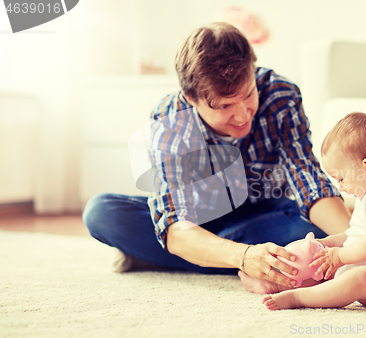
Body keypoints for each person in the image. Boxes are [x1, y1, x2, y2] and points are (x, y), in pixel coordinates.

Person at [82, 22, 351, 288]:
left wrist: (355, 242)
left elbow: (308, 181)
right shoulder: (171, 119)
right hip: (194, 220)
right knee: (102, 212)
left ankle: (171, 256)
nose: (243, 114)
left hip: (263, 216)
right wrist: (244, 256)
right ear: (190, 98)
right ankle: (228, 257)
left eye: (248, 95)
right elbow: (175, 227)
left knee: (318, 234)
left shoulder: (281, 95)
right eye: (225, 106)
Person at [257, 112, 366, 310]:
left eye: (341, 178)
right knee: (319, 268)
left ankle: (298, 299)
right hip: (360, 265)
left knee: (357, 280)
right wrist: (328, 244)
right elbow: (353, 235)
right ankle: (274, 284)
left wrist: (340, 257)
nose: (340, 187)